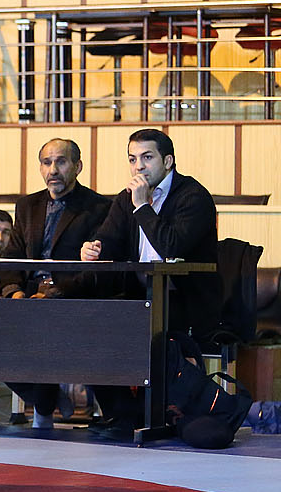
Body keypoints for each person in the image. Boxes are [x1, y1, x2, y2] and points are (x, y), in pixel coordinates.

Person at [81, 128, 219, 438]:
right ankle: (122, 414)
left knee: (130, 327)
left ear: (167, 161)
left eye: (147, 158)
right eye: (132, 159)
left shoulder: (193, 196)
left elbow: (172, 246)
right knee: (90, 324)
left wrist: (143, 206)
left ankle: (151, 414)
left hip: (186, 301)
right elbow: (109, 240)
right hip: (141, 296)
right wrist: (93, 248)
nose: (138, 167)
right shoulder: (126, 198)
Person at [0, 138, 111, 428]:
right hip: (27, 298)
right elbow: (11, 257)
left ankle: (44, 405)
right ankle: (47, 398)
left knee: (44, 331)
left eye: (61, 162)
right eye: (46, 163)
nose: (53, 170)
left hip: (71, 297)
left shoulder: (99, 207)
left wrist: (54, 295)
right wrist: (15, 293)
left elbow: (94, 270)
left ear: (77, 166)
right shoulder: (27, 205)